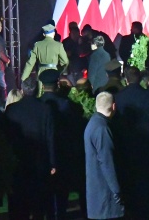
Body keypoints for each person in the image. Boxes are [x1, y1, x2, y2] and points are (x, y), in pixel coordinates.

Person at [2, 76, 56, 220]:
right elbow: (49, 137)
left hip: (18, 161)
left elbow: (6, 137)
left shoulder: (12, 109)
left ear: (22, 90)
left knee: (18, 204)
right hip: (39, 162)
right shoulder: (45, 109)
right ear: (38, 90)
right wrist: (52, 162)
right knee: (38, 203)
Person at [112, 66, 149, 216]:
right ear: (139, 78)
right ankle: (148, 206)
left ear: (125, 79)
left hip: (126, 145)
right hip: (147, 143)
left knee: (129, 177)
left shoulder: (119, 97)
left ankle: (131, 207)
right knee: (146, 176)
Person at [39, 68, 86, 220]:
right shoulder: (68, 105)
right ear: (57, 84)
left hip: (44, 155)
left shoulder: (38, 104)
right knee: (61, 194)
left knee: (46, 194)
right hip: (64, 155)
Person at [84, 91, 124, 220]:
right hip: (105, 195)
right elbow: (107, 162)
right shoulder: (102, 128)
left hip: (97, 193)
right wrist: (116, 190)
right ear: (113, 106)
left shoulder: (94, 123)